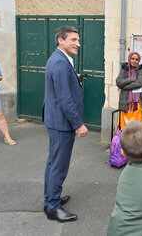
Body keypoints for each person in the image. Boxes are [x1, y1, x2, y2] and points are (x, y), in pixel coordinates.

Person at [43, 26, 88, 223]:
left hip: (56, 120)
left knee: (53, 163)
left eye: (78, 40)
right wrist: (78, 124)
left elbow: (61, 88)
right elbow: (64, 98)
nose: (78, 43)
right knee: (58, 166)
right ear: (61, 40)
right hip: (62, 123)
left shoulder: (58, 59)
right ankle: (53, 208)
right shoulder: (60, 63)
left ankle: (50, 200)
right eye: (73, 40)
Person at [115, 51, 142, 129]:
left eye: (136, 59)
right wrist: (132, 79)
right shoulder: (125, 69)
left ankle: (136, 141)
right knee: (124, 125)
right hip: (125, 102)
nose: (134, 61)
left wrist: (124, 86)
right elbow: (118, 82)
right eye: (132, 59)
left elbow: (140, 83)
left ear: (138, 61)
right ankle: (124, 140)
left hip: (137, 103)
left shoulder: (140, 70)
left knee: (136, 125)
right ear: (129, 59)